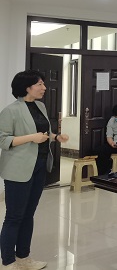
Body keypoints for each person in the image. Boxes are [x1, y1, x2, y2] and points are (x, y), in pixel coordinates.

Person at [0, 70, 69, 270]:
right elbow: (3, 140)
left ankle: (23, 257)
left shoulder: (40, 106)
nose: (44, 88)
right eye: (39, 84)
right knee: (14, 216)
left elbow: (43, 133)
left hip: (39, 165)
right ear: (27, 87)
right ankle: (8, 261)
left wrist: (56, 137)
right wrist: (32, 138)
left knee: (28, 213)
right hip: (17, 168)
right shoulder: (11, 110)